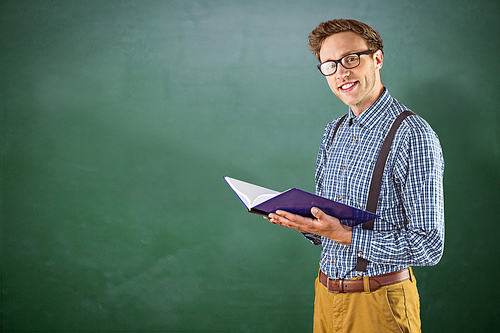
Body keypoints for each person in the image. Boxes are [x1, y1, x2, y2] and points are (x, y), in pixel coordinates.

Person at [266, 19, 444, 332]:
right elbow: (330, 222)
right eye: (330, 65)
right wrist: (301, 222)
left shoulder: (412, 134)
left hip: (378, 303)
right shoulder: (333, 131)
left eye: (351, 59)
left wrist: (344, 235)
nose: (341, 73)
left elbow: (429, 245)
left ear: (377, 58)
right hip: (325, 296)